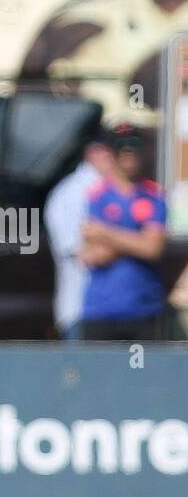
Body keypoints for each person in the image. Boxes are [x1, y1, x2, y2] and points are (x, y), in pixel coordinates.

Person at [79, 124, 168, 341]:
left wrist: (106, 234)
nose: (129, 155)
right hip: (101, 311)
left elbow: (153, 248)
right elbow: (94, 255)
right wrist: (136, 240)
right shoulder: (97, 196)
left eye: (133, 148)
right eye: (122, 149)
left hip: (144, 309)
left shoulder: (153, 195)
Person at [44, 134, 114, 341]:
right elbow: (81, 255)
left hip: (119, 312)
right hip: (82, 311)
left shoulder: (119, 190)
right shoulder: (71, 193)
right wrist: (135, 246)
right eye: (111, 151)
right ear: (92, 152)